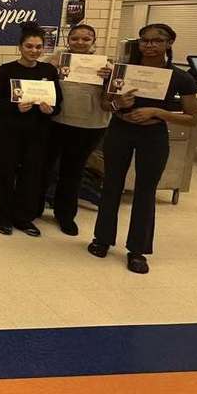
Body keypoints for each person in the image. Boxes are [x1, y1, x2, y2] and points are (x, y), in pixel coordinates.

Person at [88, 23, 197, 274]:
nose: (149, 45)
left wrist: (159, 112)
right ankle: (102, 239)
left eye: (156, 41)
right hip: (120, 131)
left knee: (145, 191)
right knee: (111, 185)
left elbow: (193, 118)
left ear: (169, 43)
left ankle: (137, 250)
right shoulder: (122, 71)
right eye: (144, 40)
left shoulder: (181, 77)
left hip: (154, 135)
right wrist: (118, 103)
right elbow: (106, 105)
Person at [0, 22, 63, 237]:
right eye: (29, 46)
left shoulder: (48, 70)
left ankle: (23, 217)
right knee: (4, 172)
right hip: (10, 131)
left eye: (38, 47)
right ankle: (0, 216)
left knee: (31, 175)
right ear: (20, 47)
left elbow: (58, 102)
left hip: (38, 133)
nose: (34, 51)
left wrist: (51, 109)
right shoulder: (7, 70)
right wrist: (15, 107)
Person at [42, 24, 111, 236]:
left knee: (73, 172)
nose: (80, 43)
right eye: (75, 39)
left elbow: (113, 99)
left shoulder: (106, 66)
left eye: (85, 39)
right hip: (57, 122)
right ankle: (34, 208)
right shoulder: (55, 60)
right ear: (68, 40)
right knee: (46, 168)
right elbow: (39, 83)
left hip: (89, 125)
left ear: (93, 42)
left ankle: (65, 216)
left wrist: (109, 78)